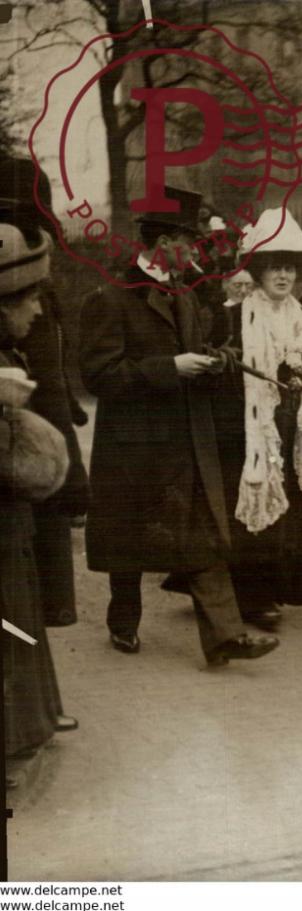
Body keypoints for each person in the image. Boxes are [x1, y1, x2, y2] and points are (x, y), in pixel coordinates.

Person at [79, 185, 279, 666]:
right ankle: (123, 619)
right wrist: (170, 367)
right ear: (164, 242)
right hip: (134, 447)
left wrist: (214, 363)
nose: (196, 253)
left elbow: (195, 352)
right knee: (128, 540)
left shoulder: (187, 296)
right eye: (189, 242)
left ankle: (225, 637)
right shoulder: (111, 297)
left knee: (202, 536)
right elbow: (99, 375)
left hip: (187, 441)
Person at [211, 208, 302, 630]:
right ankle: (253, 598)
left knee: (293, 510)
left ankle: (283, 590)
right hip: (250, 428)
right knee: (253, 506)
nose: (282, 276)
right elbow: (224, 373)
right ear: (259, 271)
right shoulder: (238, 314)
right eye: (273, 268)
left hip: (291, 424)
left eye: (289, 268)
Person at [1, 221, 76, 781]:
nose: (36, 314)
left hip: (11, 518)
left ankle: (25, 724)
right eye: (27, 302)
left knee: (18, 612)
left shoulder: (11, 355)